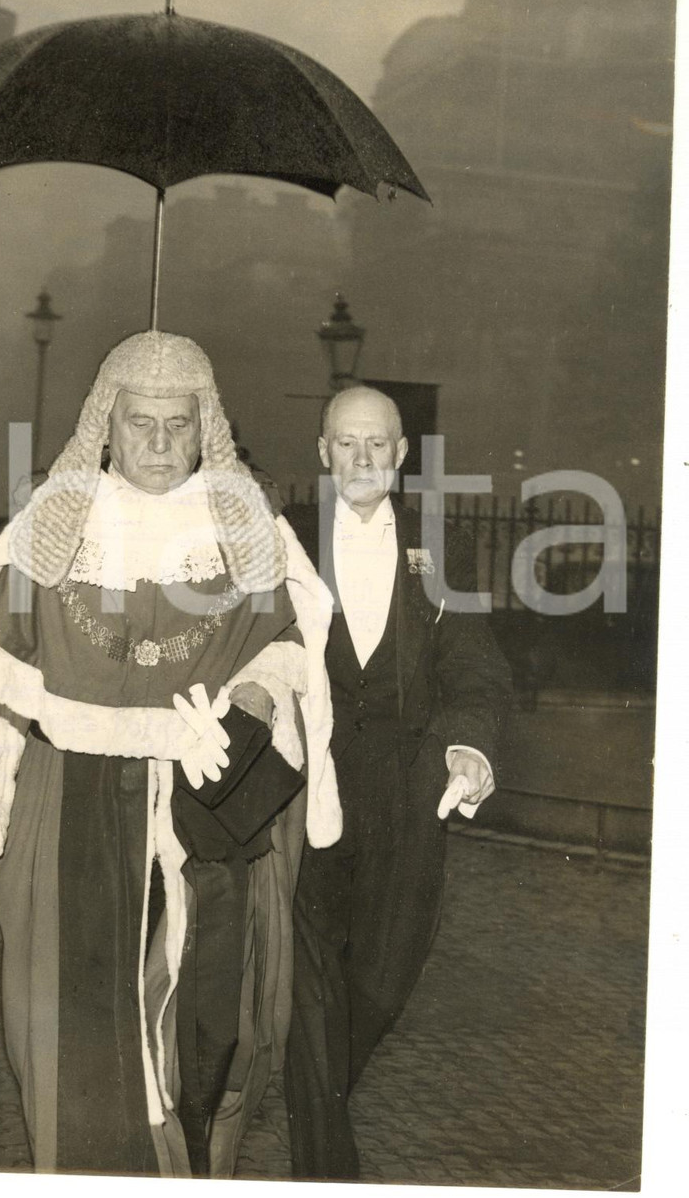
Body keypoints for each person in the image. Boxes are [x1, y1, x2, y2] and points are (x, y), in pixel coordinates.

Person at [0, 331, 342, 1178]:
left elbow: (294, 643)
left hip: (206, 803)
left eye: (176, 425)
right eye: (138, 422)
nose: (156, 444)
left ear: (204, 426)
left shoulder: (246, 526)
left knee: (212, 1029)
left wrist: (256, 691)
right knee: (69, 1029)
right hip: (70, 798)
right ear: (105, 424)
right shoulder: (51, 527)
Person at [284, 386, 513, 1181]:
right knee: (310, 995)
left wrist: (470, 748)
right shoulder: (281, 541)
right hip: (303, 799)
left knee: (380, 986)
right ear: (323, 453)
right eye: (346, 444)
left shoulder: (437, 549)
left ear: (402, 455)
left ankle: (317, 1105)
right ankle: (326, 1170)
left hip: (404, 801)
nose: (362, 459)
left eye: (377, 444)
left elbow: (477, 673)